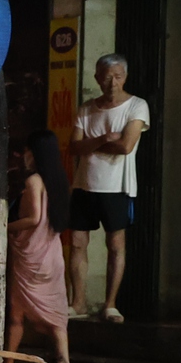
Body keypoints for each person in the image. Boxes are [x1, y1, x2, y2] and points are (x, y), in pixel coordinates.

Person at [67, 53, 149, 322]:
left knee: (115, 245)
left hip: (118, 187)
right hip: (83, 185)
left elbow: (126, 146)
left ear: (125, 77)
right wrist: (103, 138)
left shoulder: (137, 106)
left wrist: (91, 143)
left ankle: (110, 304)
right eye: (106, 76)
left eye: (117, 76)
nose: (112, 82)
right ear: (97, 78)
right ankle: (78, 303)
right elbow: (73, 147)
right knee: (77, 244)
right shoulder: (87, 108)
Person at [7, 129, 74, 363]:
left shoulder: (34, 181)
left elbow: (33, 218)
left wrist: (4, 225)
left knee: (17, 315)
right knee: (57, 315)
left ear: (33, 154)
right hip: (52, 255)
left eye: (26, 150)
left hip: (32, 258)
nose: (23, 155)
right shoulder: (58, 181)